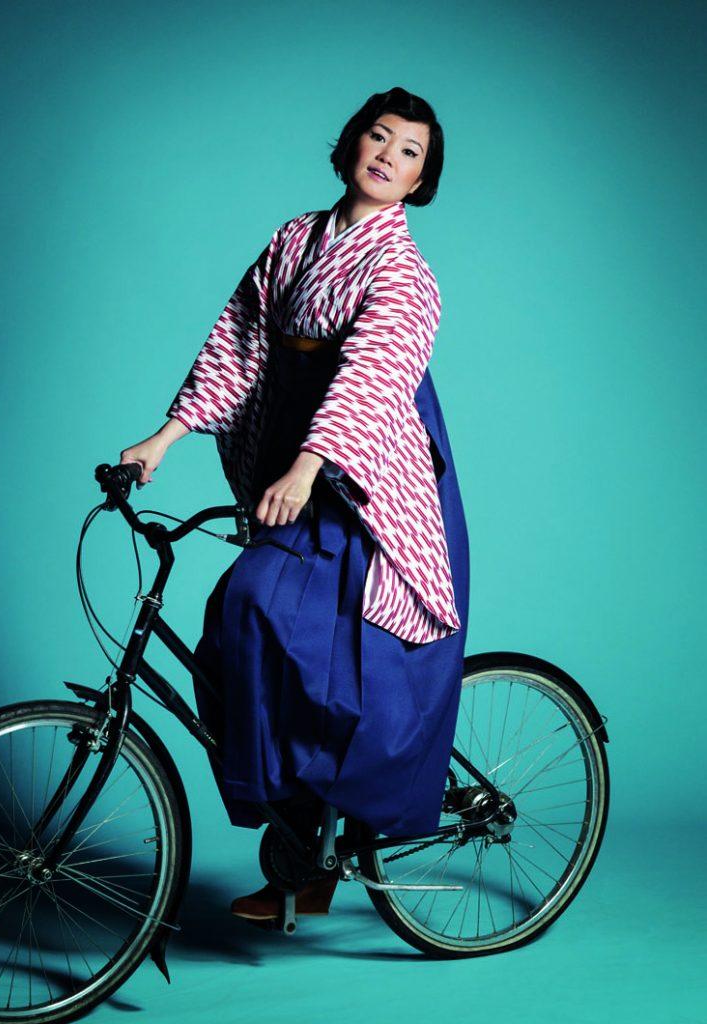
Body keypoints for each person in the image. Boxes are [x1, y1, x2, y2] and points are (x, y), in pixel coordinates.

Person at [120, 86, 470, 924]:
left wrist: (311, 465)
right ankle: (302, 849)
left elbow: (370, 379)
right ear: (349, 145)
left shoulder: (402, 271)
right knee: (240, 638)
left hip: (366, 475)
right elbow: (238, 342)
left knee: (286, 627)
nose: (387, 156)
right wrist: (165, 438)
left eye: (409, 152)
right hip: (291, 452)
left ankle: (323, 849)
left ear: (420, 182)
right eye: (377, 137)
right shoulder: (295, 238)